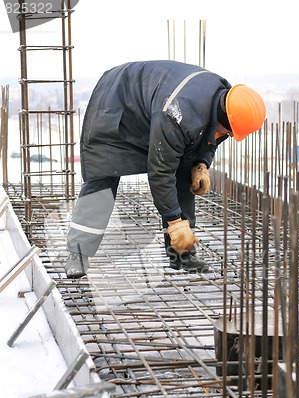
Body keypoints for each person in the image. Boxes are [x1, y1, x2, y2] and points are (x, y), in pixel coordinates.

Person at [65, 60, 266, 278]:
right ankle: (77, 253)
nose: (228, 135)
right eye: (229, 131)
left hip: (152, 111)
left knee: (185, 170)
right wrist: (174, 221)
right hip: (115, 107)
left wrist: (201, 164)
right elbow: (160, 173)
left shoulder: (223, 102)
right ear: (225, 116)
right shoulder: (178, 114)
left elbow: (209, 139)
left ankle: (181, 253)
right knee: (102, 179)